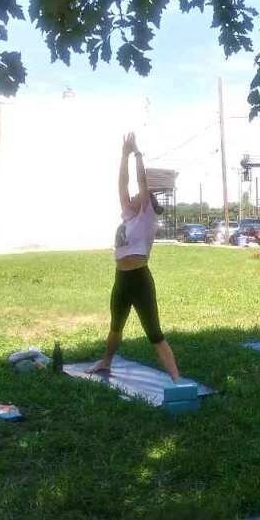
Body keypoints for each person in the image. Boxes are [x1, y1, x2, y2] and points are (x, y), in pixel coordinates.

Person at [89, 133, 181, 380]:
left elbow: (140, 181)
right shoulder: (128, 215)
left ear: (147, 201)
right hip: (121, 279)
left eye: (139, 195)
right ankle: (106, 362)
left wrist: (137, 152)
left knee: (154, 333)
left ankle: (177, 378)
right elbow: (122, 184)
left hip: (140, 279)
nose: (131, 196)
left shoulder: (146, 215)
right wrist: (123, 155)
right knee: (116, 326)